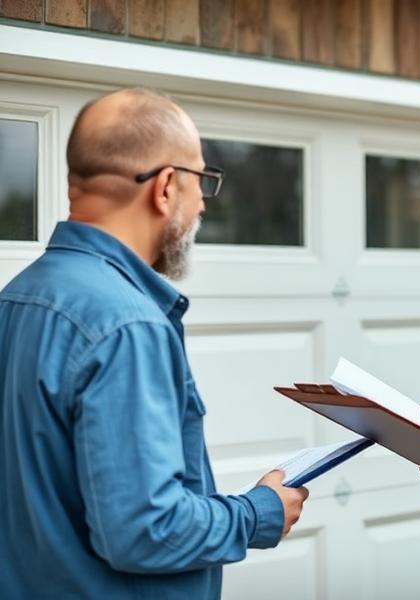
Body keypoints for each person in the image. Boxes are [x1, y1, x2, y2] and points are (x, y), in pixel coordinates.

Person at [0, 88, 308, 599]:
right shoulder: (127, 325)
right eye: (201, 181)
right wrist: (259, 511)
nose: (203, 204)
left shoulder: (16, 298)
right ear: (166, 187)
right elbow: (145, 530)